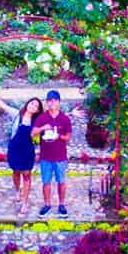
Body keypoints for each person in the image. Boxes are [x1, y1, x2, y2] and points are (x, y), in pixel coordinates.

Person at [33, 89, 75, 217]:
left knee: (61, 181)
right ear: (46, 103)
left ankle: (61, 205)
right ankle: (47, 205)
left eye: (54, 101)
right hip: (45, 156)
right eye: (49, 101)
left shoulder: (64, 118)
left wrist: (59, 137)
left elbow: (68, 137)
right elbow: (33, 132)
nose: (51, 103)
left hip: (60, 156)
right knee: (46, 182)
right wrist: (42, 128)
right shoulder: (42, 117)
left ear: (59, 102)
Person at [0, 95, 42, 208]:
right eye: (32, 103)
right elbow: (3, 105)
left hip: (27, 150)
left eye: (36, 106)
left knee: (27, 175)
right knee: (16, 172)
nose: (33, 106)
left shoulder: (37, 120)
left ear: (37, 110)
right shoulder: (17, 114)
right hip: (14, 148)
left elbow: (52, 119)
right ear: (27, 104)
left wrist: (70, 114)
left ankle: (25, 203)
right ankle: (17, 191)